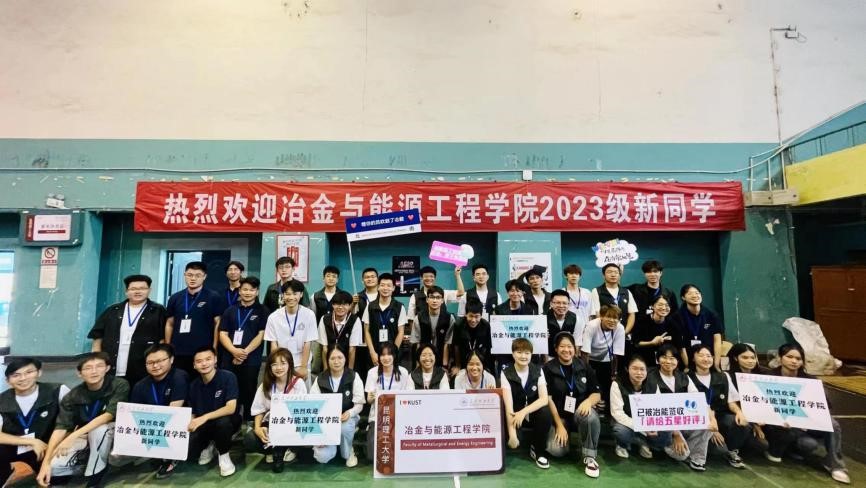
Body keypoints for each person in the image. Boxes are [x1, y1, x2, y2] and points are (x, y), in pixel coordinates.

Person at [36, 352, 129, 488]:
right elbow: (61, 428)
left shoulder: (119, 384)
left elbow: (108, 415)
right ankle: (96, 461)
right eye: (88, 368)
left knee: (99, 430)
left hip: (116, 434)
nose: (94, 371)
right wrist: (46, 463)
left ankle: (97, 475)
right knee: (54, 468)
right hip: (86, 436)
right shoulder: (72, 396)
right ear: (79, 373)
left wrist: (72, 436)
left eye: (99, 366)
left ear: (107, 368)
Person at [762, 343, 850, 484]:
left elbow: (824, 407)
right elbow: (762, 406)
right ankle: (785, 449)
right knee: (806, 444)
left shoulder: (811, 381)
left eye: (798, 358)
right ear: (780, 358)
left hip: (805, 426)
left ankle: (836, 465)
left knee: (831, 425)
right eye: (789, 357)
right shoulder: (768, 377)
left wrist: (807, 421)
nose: (794, 361)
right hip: (778, 426)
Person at [644, 344, 715, 471]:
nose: (668, 361)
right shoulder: (651, 376)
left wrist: (712, 418)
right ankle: (677, 450)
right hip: (664, 425)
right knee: (681, 455)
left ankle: (697, 458)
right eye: (664, 357)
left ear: (677, 361)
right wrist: (675, 433)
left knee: (708, 425)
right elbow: (657, 409)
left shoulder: (683, 377)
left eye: (672, 358)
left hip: (683, 421)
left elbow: (698, 399)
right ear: (658, 359)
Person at [89, 274, 167, 388]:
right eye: (133, 289)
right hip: (112, 367)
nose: (138, 291)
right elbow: (97, 337)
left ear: (149, 290)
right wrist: (96, 360)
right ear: (126, 291)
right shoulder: (112, 310)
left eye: (142, 288)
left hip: (142, 369)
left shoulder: (158, 311)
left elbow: (163, 340)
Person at [0, 358, 69, 487]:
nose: (23, 378)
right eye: (16, 375)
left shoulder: (58, 390)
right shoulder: (2, 400)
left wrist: (57, 446)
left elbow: (71, 422)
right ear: (8, 380)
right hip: (18, 446)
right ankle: (6, 473)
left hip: (48, 446)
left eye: (29, 372)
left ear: (39, 372)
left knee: (55, 478)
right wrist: (32, 441)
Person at [124, 344, 188, 478]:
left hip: (175, 425)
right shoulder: (140, 385)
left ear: (171, 359)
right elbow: (133, 415)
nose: (155, 366)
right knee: (116, 458)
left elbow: (175, 411)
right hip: (150, 426)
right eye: (150, 362)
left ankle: (170, 459)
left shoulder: (179, 377)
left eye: (160, 361)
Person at [543, 333, 601, 477]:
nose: (566, 350)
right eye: (562, 346)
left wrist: (588, 402)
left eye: (569, 346)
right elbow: (548, 399)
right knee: (557, 451)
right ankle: (564, 436)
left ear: (575, 349)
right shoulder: (548, 368)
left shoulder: (584, 366)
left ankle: (590, 457)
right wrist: (559, 425)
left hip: (578, 414)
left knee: (590, 417)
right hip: (559, 417)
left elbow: (596, 394)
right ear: (556, 349)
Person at [688, 344, 751, 469]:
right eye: (701, 355)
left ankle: (732, 451)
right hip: (700, 421)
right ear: (693, 358)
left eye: (709, 356)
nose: (706, 359)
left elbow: (731, 401)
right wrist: (713, 430)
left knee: (742, 423)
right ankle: (712, 450)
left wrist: (739, 412)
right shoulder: (687, 377)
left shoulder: (723, 376)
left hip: (720, 418)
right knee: (719, 450)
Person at [245, 348, 306, 473]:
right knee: (250, 439)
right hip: (271, 425)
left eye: (283, 363)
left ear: (290, 364)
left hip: (292, 425)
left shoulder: (298, 383)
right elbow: (259, 410)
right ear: (269, 367)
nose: (279, 368)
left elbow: (303, 410)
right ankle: (271, 451)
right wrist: (257, 428)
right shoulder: (266, 385)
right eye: (274, 364)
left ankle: (288, 449)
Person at [217, 276, 268, 424]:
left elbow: (261, 335)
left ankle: (248, 422)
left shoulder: (263, 310)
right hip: (229, 358)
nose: (248, 293)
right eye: (245, 289)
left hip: (251, 359)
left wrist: (244, 352)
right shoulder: (230, 310)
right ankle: (231, 422)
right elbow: (223, 334)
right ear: (240, 291)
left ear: (257, 292)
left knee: (249, 390)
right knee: (229, 391)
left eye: (252, 290)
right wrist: (234, 351)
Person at [186, 346, 241, 477]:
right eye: (199, 361)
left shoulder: (228, 377)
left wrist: (204, 417)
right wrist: (190, 426)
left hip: (227, 421)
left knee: (223, 423)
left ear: (215, 360)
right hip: (205, 424)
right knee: (190, 451)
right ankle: (209, 445)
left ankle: (224, 454)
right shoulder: (193, 385)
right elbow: (193, 413)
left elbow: (230, 408)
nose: (204, 364)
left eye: (208, 359)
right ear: (194, 365)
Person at [499, 338, 552, 470]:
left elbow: (544, 399)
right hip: (515, 415)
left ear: (531, 354)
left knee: (545, 412)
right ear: (513, 354)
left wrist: (523, 412)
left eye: (527, 353)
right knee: (514, 439)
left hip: (530, 413)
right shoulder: (506, 373)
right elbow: (509, 406)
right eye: (519, 352)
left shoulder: (538, 370)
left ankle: (539, 451)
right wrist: (512, 434)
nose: (523, 356)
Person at [609, 355, 675, 459]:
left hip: (647, 424)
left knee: (667, 434)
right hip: (626, 423)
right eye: (635, 369)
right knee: (620, 431)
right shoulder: (617, 384)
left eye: (642, 369)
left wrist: (653, 426)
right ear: (627, 369)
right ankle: (623, 445)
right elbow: (617, 413)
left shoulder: (653, 385)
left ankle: (643, 442)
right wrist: (642, 427)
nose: (639, 373)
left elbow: (658, 409)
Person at [165, 262, 223, 376]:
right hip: (178, 350)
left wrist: (214, 347)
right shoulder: (175, 298)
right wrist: (168, 347)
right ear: (184, 275)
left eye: (197, 275)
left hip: (203, 351)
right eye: (190, 275)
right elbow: (169, 323)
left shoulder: (213, 297)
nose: (193, 278)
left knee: (201, 382)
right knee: (179, 380)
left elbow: (218, 323)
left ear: (204, 277)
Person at [310, 346, 364, 467]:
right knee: (322, 456)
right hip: (326, 421)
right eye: (332, 358)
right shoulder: (320, 379)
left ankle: (348, 451)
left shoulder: (353, 376)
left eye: (340, 357)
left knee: (344, 428)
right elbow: (313, 404)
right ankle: (332, 446)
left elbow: (359, 404)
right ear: (327, 360)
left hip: (347, 418)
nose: (336, 361)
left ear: (345, 359)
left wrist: (350, 413)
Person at [264, 280, 318, 384]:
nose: (291, 297)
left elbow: (307, 343)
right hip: (282, 363)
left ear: (301, 294)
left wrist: (303, 367)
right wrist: (278, 364)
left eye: (294, 294)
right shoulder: (273, 317)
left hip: (302, 362)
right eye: (287, 294)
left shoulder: (309, 315)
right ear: (283, 295)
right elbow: (274, 345)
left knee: (302, 392)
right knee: (281, 391)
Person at [364, 343, 411, 462]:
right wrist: (372, 397)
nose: (386, 358)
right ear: (379, 357)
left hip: (398, 417)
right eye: (383, 355)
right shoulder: (372, 373)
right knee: (372, 456)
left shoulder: (403, 372)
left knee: (398, 453)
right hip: (377, 417)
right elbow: (369, 400)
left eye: (389, 354)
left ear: (394, 356)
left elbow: (408, 398)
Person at [580, 304, 625, 414]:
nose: (612, 320)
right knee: (590, 383)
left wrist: (614, 374)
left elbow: (616, 354)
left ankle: (605, 411)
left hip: (605, 358)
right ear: (601, 316)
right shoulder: (591, 325)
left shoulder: (620, 328)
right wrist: (586, 373)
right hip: (589, 358)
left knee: (607, 386)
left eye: (615, 318)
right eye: (608, 317)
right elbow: (585, 353)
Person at [362, 273, 408, 369]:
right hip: (374, 352)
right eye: (382, 285)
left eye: (389, 285)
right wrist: (372, 352)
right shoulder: (370, 306)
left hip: (393, 353)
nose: (385, 288)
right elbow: (366, 331)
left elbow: (401, 332)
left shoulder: (400, 307)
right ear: (378, 287)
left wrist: (392, 353)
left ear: (393, 288)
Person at [674, 284, 723, 371]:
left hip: (707, 359)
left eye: (697, 293)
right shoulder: (677, 316)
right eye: (690, 293)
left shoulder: (711, 315)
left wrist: (716, 363)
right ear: (683, 297)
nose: (695, 296)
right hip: (686, 360)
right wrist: (687, 365)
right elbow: (680, 345)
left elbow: (717, 340)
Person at [409, 286, 454, 369]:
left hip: (441, 357)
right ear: (427, 299)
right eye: (432, 297)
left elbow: (447, 344)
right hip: (424, 358)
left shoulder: (449, 318)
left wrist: (444, 366)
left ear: (442, 300)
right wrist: (418, 364)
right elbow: (417, 343)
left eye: (438, 298)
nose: (435, 300)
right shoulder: (419, 318)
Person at [317, 290, 364, 370]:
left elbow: (352, 349)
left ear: (350, 306)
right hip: (330, 360)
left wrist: (350, 372)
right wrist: (326, 370)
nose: (340, 307)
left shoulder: (355, 320)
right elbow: (324, 348)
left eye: (345, 304)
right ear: (333, 305)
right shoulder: (324, 319)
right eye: (337, 304)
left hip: (347, 361)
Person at [632, 295, 683, 366]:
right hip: (645, 361)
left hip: (666, 363)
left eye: (667, 305)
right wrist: (652, 343)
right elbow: (636, 343)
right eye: (660, 305)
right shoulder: (642, 321)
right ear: (652, 306)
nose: (664, 308)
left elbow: (680, 347)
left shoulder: (673, 324)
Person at [589, 264, 637, 337]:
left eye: (616, 272)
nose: (613, 275)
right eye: (609, 272)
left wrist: (624, 332)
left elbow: (632, 314)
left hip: (623, 334)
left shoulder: (626, 292)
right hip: (604, 334)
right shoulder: (596, 291)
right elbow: (597, 314)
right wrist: (605, 331)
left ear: (619, 275)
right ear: (603, 275)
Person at [627, 259, 679, 328]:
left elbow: (674, 313)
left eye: (655, 271)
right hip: (640, 329)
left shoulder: (669, 293)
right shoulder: (635, 289)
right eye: (648, 272)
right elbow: (618, 290)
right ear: (644, 274)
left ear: (661, 273)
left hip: (662, 328)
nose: (652, 274)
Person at [450, 300, 494, 375]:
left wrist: (485, 367)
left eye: (476, 316)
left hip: (480, 361)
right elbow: (456, 347)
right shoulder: (458, 325)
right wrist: (457, 365)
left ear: (481, 316)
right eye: (471, 316)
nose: (473, 320)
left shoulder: (486, 325)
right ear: (466, 314)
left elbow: (488, 347)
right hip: (463, 360)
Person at [545, 290, 579, 362]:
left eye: (564, 303)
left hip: (568, 357)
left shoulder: (576, 318)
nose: (561, 306)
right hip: (549, 357)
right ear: (551, 304)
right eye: (558, 303)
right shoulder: (543, 318)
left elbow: (577, 342)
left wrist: (573, 361)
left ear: (569, 304)